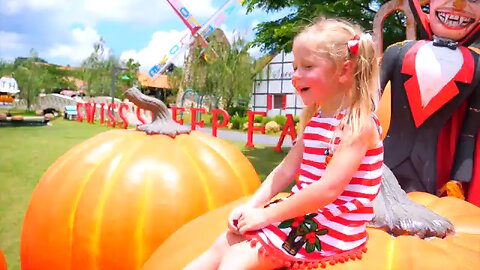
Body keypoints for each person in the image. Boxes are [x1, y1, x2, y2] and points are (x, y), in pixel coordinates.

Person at [184, 17, 383, 270]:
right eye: (295, 67)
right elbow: (285, 171)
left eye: (307, 67)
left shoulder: (358, 125)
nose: (296, 76)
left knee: (236, 260)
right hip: (304, 213)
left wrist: (265, 215)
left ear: (344, 71)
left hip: (332, 226)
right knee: (224, 243)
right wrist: (251, 206)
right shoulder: (316, 119)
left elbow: (327, 190)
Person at [380, 0, 480, 205]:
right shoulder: (397, 52)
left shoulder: (476, 66)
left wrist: (459, 179)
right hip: (382, 160)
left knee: (418, 225)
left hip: (426, 168)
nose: (459, 5)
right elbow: (367, 107)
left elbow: (469, 132)